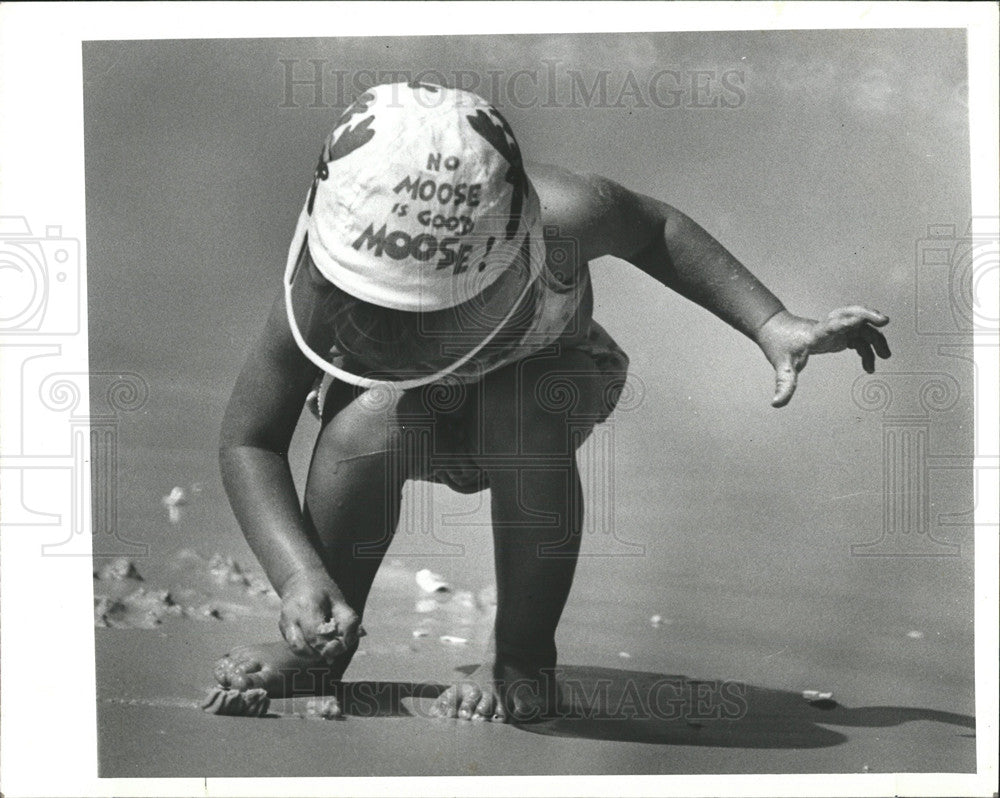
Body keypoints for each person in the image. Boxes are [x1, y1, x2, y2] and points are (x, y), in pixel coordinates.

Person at [213, 81, 890, 722]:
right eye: (381, 311)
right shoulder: (322, 287)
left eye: (432, 313)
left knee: (521, 408)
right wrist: (299, 576)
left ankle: (525, 659)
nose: (409, 337)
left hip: (545, 377)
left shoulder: (565, 215)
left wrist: (771, 323)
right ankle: (324, 641)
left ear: (509, 249)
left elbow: (656, 229)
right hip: (401, 415)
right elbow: (252, 440)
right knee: (373, 417)